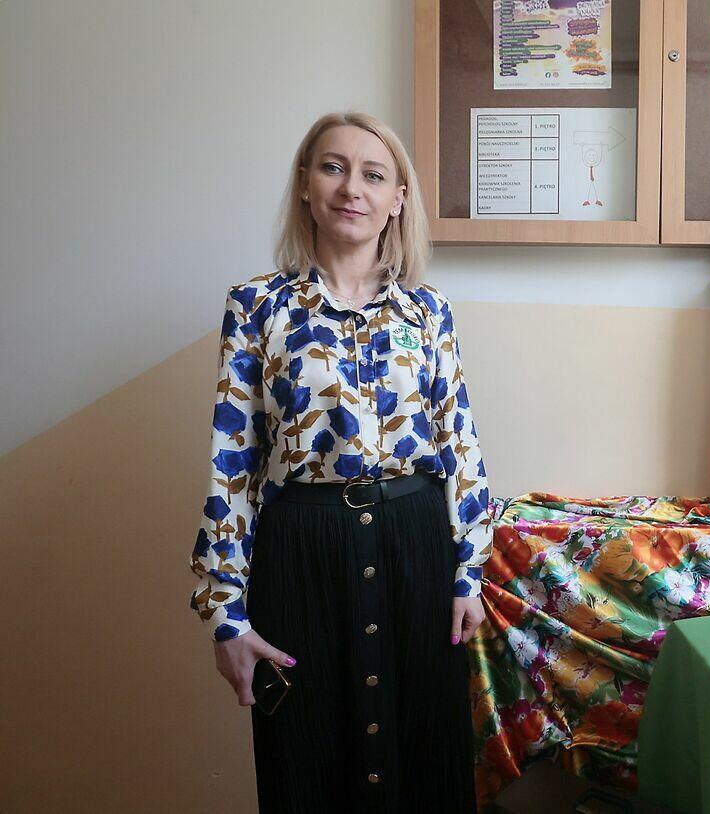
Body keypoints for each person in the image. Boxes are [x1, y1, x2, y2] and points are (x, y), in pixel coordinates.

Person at [188, 111, 491, 813]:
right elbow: (232, 462)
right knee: (308, 761)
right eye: (333, 167)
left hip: (415, 544)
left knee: (425, 759)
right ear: (305, 184)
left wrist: (467, 570)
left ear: (398, 199)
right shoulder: (256, 307)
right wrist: (225, 615)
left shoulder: (428, 312)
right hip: (301, 550)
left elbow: (460, 441)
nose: (352, 187)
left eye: (373, 174)